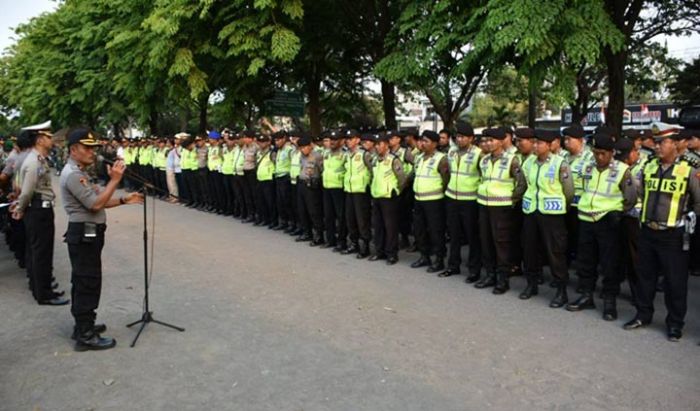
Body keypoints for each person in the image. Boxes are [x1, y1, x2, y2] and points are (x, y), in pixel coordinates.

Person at [60, 128, 143, 351]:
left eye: (93, 148)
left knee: (86, 279)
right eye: (87, 148)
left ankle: (84, 325)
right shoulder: (73, 175)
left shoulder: (80, 172)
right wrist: (115, 180)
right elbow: (95, 205)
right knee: (87, 281)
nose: (92, 152)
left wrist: (125, 199)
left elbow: (100, 200)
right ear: (73, 150)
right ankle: (85, 335)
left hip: (89, 233)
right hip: (84, 233)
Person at [623, 129, 700, 342]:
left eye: (662, 142)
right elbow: (638, 194)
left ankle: (675, 324)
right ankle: (643, 315)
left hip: (673, 234)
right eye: (655, 143)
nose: (656, 146)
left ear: (675, 145)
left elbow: (698, 201)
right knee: (644, 277)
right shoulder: (649, 167)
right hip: (648, 230)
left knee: (675, 282)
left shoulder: (689, 170)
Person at [519, 129, 574, 307]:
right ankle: (531, 284)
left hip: (552, 214)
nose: (535, 146)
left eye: (539, 143)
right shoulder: (529, 163)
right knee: (530, 250)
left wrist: (562, 207)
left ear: (549, 145)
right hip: (531, 211)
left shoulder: (560, 164)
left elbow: (569, 191)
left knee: (555, 252)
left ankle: (561, 290)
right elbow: (524, 184)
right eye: (534, 142)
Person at [14, 129, 68, 305]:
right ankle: (44, 294)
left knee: (35, 250)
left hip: (38, 210)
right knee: (41, 252)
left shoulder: (38, 159)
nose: (51, 140)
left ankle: (39, 287)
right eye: (48, 137)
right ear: (39, 140)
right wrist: (20, 208)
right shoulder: (34, 161)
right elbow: (27, 190)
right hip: (38, 211)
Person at [474, 127, 526, 294]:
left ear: (501, 141)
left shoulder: (512, 160)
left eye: (491, 140)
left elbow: (521, 184)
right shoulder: (483, 160)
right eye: (485, 140)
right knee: (486, 240)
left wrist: (511, 200)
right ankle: (490, 275)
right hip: (484, 205)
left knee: (501, 243)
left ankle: (502, 279)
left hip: (502, 208)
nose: (488, 144)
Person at [441, 122, 482, 282]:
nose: (460, 139)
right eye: (458, 136)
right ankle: (453, 265)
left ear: (471, 138)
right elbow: (448, 172)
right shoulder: (451, 152)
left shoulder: (479, 154)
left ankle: (474, 270)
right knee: (454, 234)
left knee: (472, 236)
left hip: (470, 200)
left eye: (463, 137)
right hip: (452, 197)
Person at [410, 130, 449, 273]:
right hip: (419, 199)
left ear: (435, 143)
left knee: (436, 231)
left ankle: (439, 259)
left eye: (426, 141)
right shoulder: (419, 158)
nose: (423, 144)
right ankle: (424, 256)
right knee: (419, 230)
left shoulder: (441, 158)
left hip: (434, 201)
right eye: (422, 141)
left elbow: (446, 180)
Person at [370, 134, 407, 264]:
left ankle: (391, 253)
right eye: (376, 145)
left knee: (390, 227)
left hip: (389, 197)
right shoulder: (375, 160)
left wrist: (396, 191)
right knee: (378, 226)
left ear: (386, 145)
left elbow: (402, 178)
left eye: (379, 144)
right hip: (377, 196)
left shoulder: (393, 160)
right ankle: (379, 251)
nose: (377, 147)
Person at [343, 129, 373, 258]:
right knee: (350, 219)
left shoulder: (364, 154)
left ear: (357, 140)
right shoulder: (346, 155)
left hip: (361, 191)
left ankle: (365, 246)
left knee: (362, 220)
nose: (348, 141)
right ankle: (354, 243)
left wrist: (368, 185)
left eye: (351, 138)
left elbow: (373, 171)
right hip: (349, 190)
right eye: (347, 139)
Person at [321, 130, 347, 251]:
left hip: (339, 188)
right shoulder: (326, 153)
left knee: (341, 216)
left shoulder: (345, 154)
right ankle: (330, 240)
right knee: (328, 215)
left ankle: (342, 242)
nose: (332, 142)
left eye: (335, 140)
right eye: (331, 140)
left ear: (341, 141)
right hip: (327, 187)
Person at [296, 135, 325, 245]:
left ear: (310, 146)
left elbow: (322, 170)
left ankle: (319, 235)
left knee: (314, 211)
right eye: (301, 148)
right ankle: (307, 232)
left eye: (305, 147)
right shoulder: (301, 156)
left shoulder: (317, 156)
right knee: (302, 210)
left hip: (312, 184)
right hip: (302, 183)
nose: (303, 150)